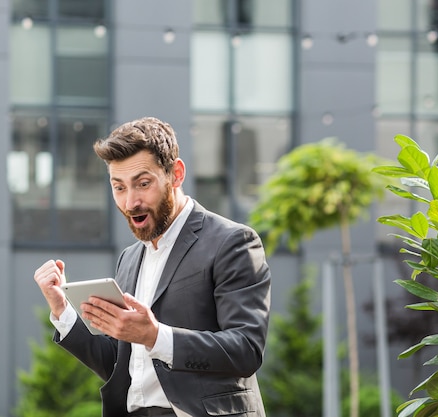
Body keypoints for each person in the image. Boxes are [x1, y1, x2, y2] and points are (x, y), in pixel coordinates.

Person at [33, 116, 271, 417]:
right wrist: (62, 312)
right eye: (119, 188)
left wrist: (155, 336)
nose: (131, 202)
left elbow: (245, 349)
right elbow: (118, 365)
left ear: (176, 174)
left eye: (143, 184)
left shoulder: (233, 242)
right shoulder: (130, 258)